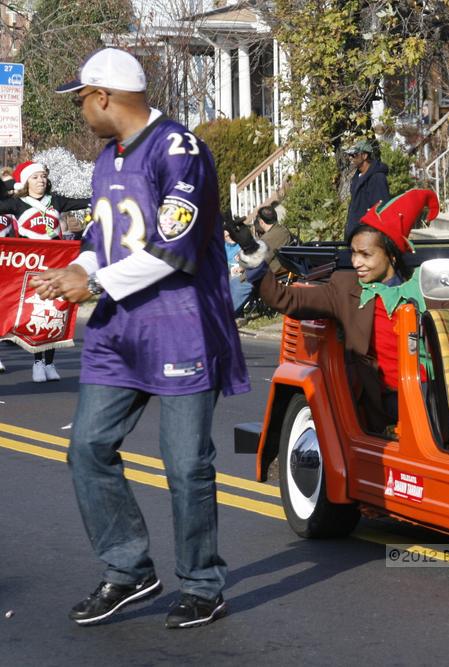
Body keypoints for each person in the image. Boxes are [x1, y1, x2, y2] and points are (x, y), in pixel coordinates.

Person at [32, 48, 250, 629]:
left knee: (185, 466)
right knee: (87, 448)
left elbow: (172, 249)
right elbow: (105, 239)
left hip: (178, 326)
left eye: (81, 98)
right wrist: (75, 270)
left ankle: (203, 583)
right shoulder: (109, 157)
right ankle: (128, 570)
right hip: (117, 330)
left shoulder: (180, 150)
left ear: (103, 95)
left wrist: (95, 280)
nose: (81, 110)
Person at [233, 189, 447, 432]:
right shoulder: (345, 287)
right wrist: (252, 250)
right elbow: (286, 298)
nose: (356, 262)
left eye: (366, 255)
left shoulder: (427, 285)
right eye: (354, 253)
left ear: (392, 256)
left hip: (434, 392)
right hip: (385, 401)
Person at [0, 160, 91, 382]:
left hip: (54, 268)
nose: (41, 180)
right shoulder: (17, 204)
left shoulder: (56, 201)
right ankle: (37, 362)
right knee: (32, 315)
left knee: (53, 314)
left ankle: (47, 363)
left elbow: (86, 202)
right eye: (35, 177)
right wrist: (8, 184)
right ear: (26, 182)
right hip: (28, 271)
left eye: (43, 176)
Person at [229, 205, 291, 315]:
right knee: (233, 281)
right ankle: (231, 313)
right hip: (265, 268)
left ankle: (226, 314)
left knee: (237, 283)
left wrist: (242, 263)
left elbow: (254, 258)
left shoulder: (273, 236)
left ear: (261, 222)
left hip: (267, 272)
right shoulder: (279, 231)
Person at [345, 138, 389, 239]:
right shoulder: (357, 177)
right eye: (349, 155)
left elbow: (381, 210)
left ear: (364, 156)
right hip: (355, 237)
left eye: (354, 155)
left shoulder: (377, 178)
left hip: (368, 239)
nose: (350, 158)